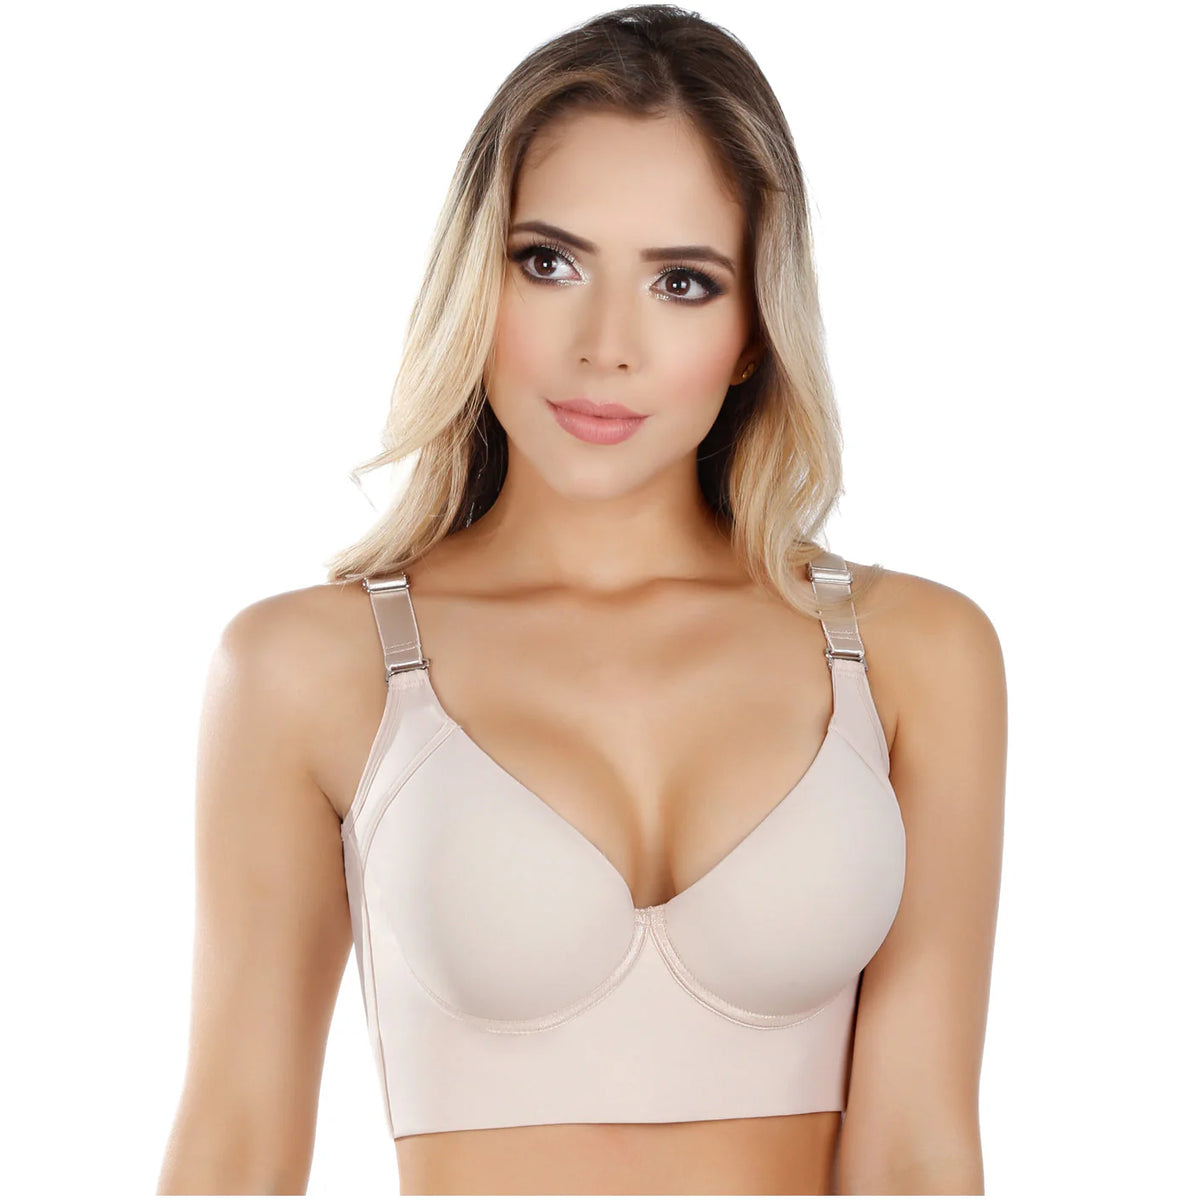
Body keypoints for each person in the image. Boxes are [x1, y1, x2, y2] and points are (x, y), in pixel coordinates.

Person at [157, 5, 1005, 1194]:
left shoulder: (914, 654)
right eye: (548, 263)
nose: (607, 346)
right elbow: (233, 1150)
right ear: (476, 279)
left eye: (683, 282)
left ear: (754, 329)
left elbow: (921, 1153)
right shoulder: (306, 667)